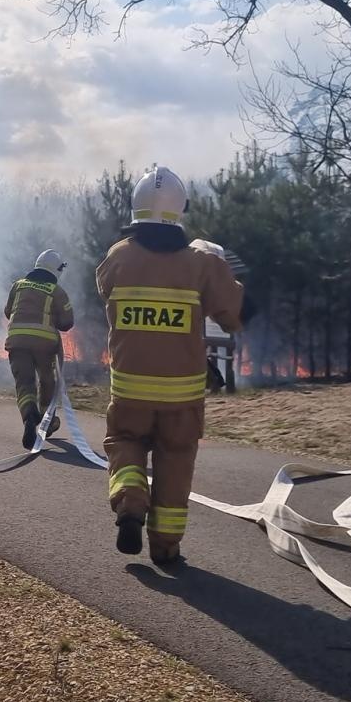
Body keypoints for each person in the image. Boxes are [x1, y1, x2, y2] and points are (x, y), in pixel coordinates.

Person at [97, 165, 248, 566]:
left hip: (129, 391)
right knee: (176, 464)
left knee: (124, 444)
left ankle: (130, 499)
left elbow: (104, 290)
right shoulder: (201, 264)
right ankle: (165, 546)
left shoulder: (118, 258)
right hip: (181, 396)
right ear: (180, 209)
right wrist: (230, 276)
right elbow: (235, 315)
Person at [3, 249, 76, 448]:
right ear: (57, 270)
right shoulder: (57, 291)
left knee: (24, 383)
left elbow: (9, 312)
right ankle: (47, 420)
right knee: (47, 382)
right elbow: (67, 322)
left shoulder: (18, 286)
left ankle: (29, 417)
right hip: (45, 345)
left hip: (17, 342)